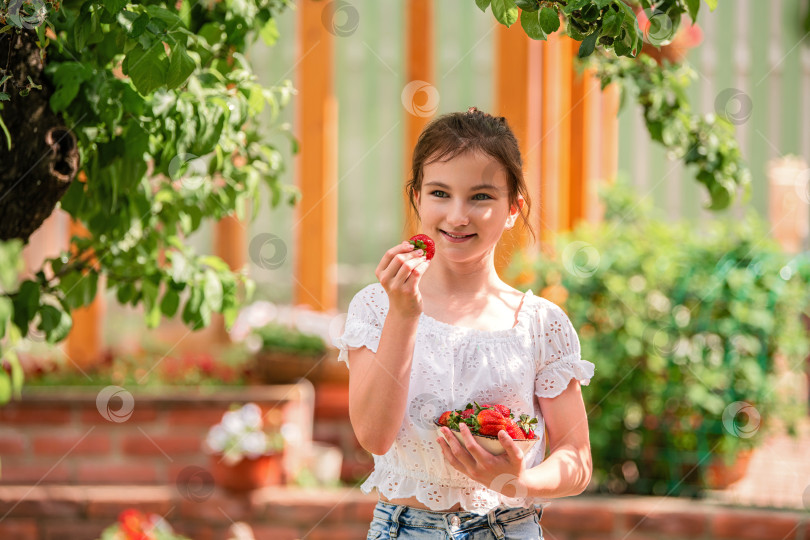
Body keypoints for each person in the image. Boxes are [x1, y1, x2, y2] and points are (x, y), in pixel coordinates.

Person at [333, 107, 595, 539]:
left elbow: (577, 458)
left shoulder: (540, 323)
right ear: (416, 197)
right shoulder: (377, 306)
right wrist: (404, 315)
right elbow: (374, 436)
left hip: (509, 528)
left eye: (481, 197)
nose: (458, 216)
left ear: (514, 208)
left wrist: (518, 481)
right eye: (440, 193)